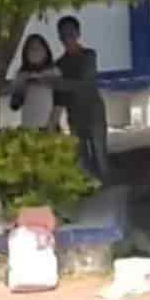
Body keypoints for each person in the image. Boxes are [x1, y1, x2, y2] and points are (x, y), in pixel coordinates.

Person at [49, 16, 110, 180]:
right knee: (82, 155)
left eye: (70, 32)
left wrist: (57, 82)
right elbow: (60, 94)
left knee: (100, 153)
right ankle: (91, 186)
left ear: (78, 33)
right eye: (63, 34)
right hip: (74, 114)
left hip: (94, 111)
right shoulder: (59, 64)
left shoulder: (89, 55)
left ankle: (105, 183)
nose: (67, 37)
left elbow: (85, 83)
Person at [9, 34, 62, 130]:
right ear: (25, 53)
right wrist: (21, 85)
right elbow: (14, 105)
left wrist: (52, 124)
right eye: (32, 48)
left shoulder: (54, 71)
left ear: (46, 51)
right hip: (28, 127)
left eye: (39, 48)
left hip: (49, 127)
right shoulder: (21, 74)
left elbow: (60, 101)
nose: (35, 52)